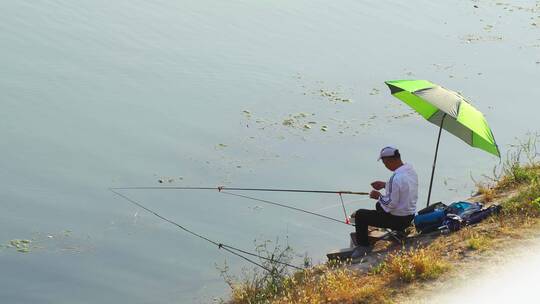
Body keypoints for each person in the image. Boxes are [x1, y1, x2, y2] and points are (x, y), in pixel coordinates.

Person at [351, 146, 418, 259]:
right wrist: (384, 185)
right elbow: (402, 188)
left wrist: (378, 196)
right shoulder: (410, 170)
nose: (385, 166)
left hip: (398, 220)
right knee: (379, 206)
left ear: (390, 161)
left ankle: (363, 247)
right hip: (410, 217)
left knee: (360, 215)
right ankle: (400, 231)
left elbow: (390, 205)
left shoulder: (395, 178)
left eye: (385, 163)